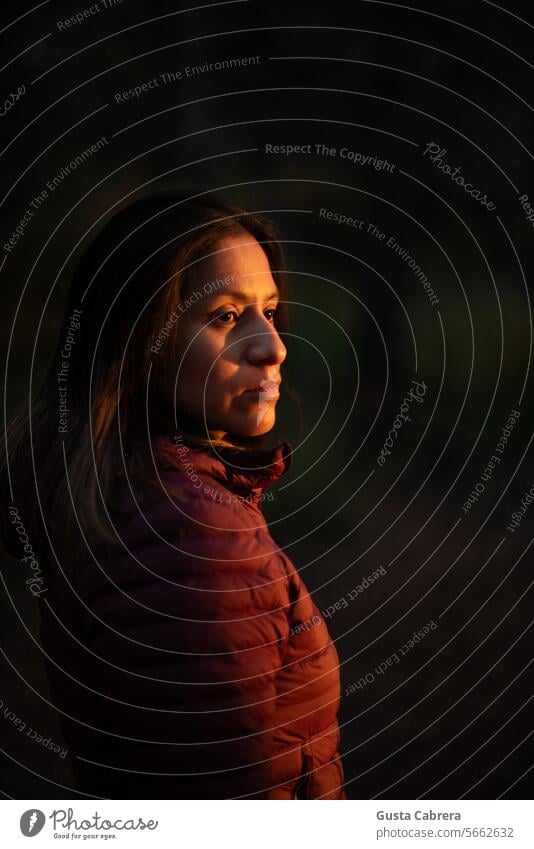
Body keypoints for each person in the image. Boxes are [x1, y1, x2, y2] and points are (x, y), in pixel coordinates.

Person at [0, 189, 346, 799]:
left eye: (270, 309)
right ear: (138, 343)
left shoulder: (121, 496)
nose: (274, 345)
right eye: (225, 316)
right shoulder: (194, 535)